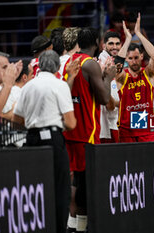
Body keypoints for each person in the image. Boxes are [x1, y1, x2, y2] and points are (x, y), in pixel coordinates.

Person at [12, 50, 78, 233]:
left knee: (34, 188)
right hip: (53, 140)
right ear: (57, 67)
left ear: (39, 66)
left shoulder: (28, 87)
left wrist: (35, 120)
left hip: (31, 140)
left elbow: (17, 122)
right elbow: (71, 123)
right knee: (60, 189)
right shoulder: (59, 85)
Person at [62, 27, 116, 233]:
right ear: (97, 42)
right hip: (86, 132)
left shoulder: (69, 61)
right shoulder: (90, 63)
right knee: (84, 184)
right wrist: (109, 77)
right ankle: (77, 226)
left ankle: (75, 225)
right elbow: (103, 99)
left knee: (76, 181)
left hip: (70, 130)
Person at [115, 13, 154, 143]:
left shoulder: (148, 73)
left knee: (151, 163)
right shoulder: (122, 76)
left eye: (136, 57)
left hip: (146, 129)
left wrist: (138, 34)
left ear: (141, 57)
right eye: (130, 59)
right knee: (127, 163)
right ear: (126, 60)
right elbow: (117, 64)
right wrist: (128, 38)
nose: (133, 61)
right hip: (126, 129)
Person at [98, 31, 122, 144]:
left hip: (117, 121)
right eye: (111, 43)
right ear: (104, 46)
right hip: (109, 123)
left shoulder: (119, 61)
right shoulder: (102, 63)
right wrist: (122, 104)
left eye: (117, 44)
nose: (115, 47)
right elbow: (109, 104)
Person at [0, 52, 21, 120]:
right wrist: (8, 83)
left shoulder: (0, 88)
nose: (8, 71)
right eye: (5, 67)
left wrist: (11, 80)